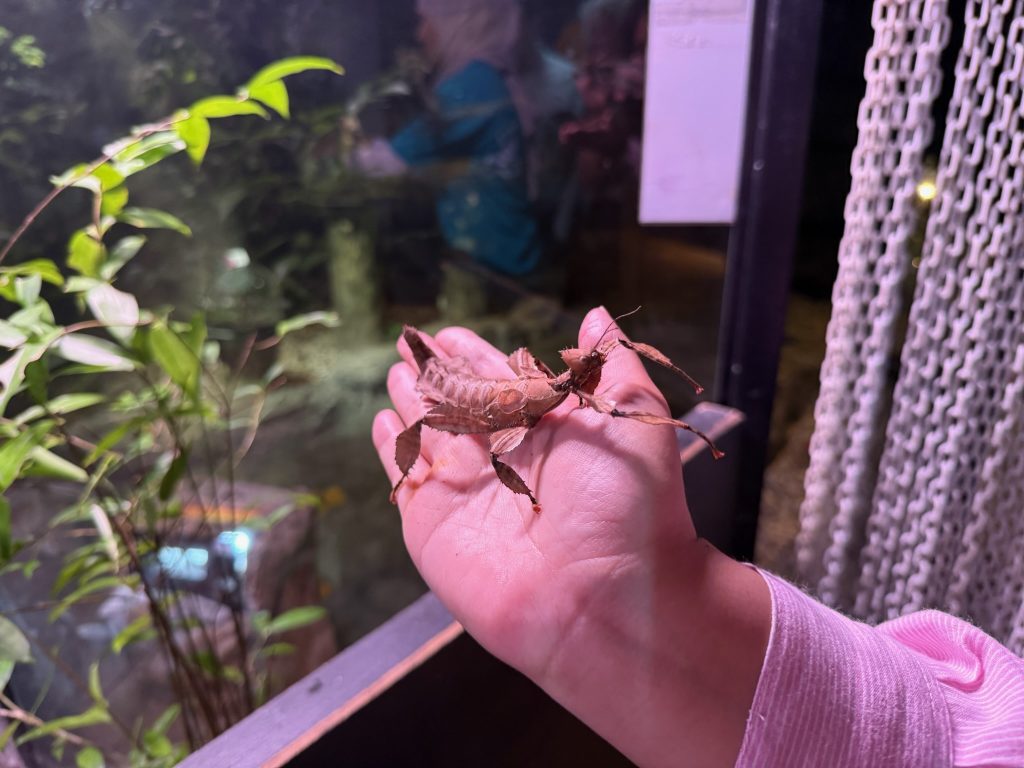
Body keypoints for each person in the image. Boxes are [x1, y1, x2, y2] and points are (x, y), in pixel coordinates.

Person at [373, 306, 1024, 767]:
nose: (593, 377)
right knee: (476, 438)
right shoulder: (525, 406)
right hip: (468, 402)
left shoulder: (561, 398)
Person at [352, 0, 542, 280]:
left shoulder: (472, 85)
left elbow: (383, 164)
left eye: (427, 20)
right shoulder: (488, 76)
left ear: (458, 22)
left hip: (498, 271)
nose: (420, 34)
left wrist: (342, 149)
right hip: (502, 258)